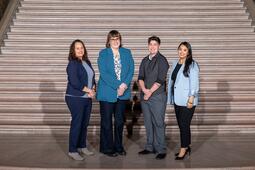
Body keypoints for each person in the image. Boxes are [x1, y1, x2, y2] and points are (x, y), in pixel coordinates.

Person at [97, 30, 134, 157]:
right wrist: (118, 85)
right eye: (112, 39)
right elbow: (104, 73)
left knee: (119, 121)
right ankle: (106, 148)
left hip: (122, 93)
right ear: (108, 41)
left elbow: (131, 69)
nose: (115, 41)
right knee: (106, 122)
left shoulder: (127, 52)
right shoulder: (103, 53)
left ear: (120, 39)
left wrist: (124, 85)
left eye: (117, 38)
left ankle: (118, 147)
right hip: (107, 92)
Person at [138, 36, 169, 160]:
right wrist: (144, 90)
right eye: (150, 44)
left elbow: (161, 79)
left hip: (157, 96)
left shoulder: (162, 60)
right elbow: (140, 77)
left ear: (159, 46)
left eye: (155, 44)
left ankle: (161, 149)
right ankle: (150, 147)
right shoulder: (145, 60)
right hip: (145, 96)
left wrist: (149, 91)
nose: (152, 46)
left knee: (158, 122)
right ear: (148, 45)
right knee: (148, 122)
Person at [167, 41, 199, 160]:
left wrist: (191, 98)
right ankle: (187, 146)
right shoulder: (175, 63)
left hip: (187, 101)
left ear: (188, 52)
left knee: (184, 125)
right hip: (177, 99)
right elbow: (172, 81)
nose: (181, 51)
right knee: (182, 125)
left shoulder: (193, 64)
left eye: (185, 50)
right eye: (180, 49)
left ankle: (183, 149)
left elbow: (194, 83)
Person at [65, 39, 96, 161]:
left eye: (82, 47)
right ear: (73, 50)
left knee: (84, 123)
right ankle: (72, 150)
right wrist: (88, 90)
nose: (80, 50)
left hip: (87, 98)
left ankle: (82, 146)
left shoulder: (86, 61)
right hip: (75, 98)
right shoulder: (72, 64)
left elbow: (92, 77)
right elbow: (74, 82)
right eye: (77, 48)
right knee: (77, 123)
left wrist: (93, 88)